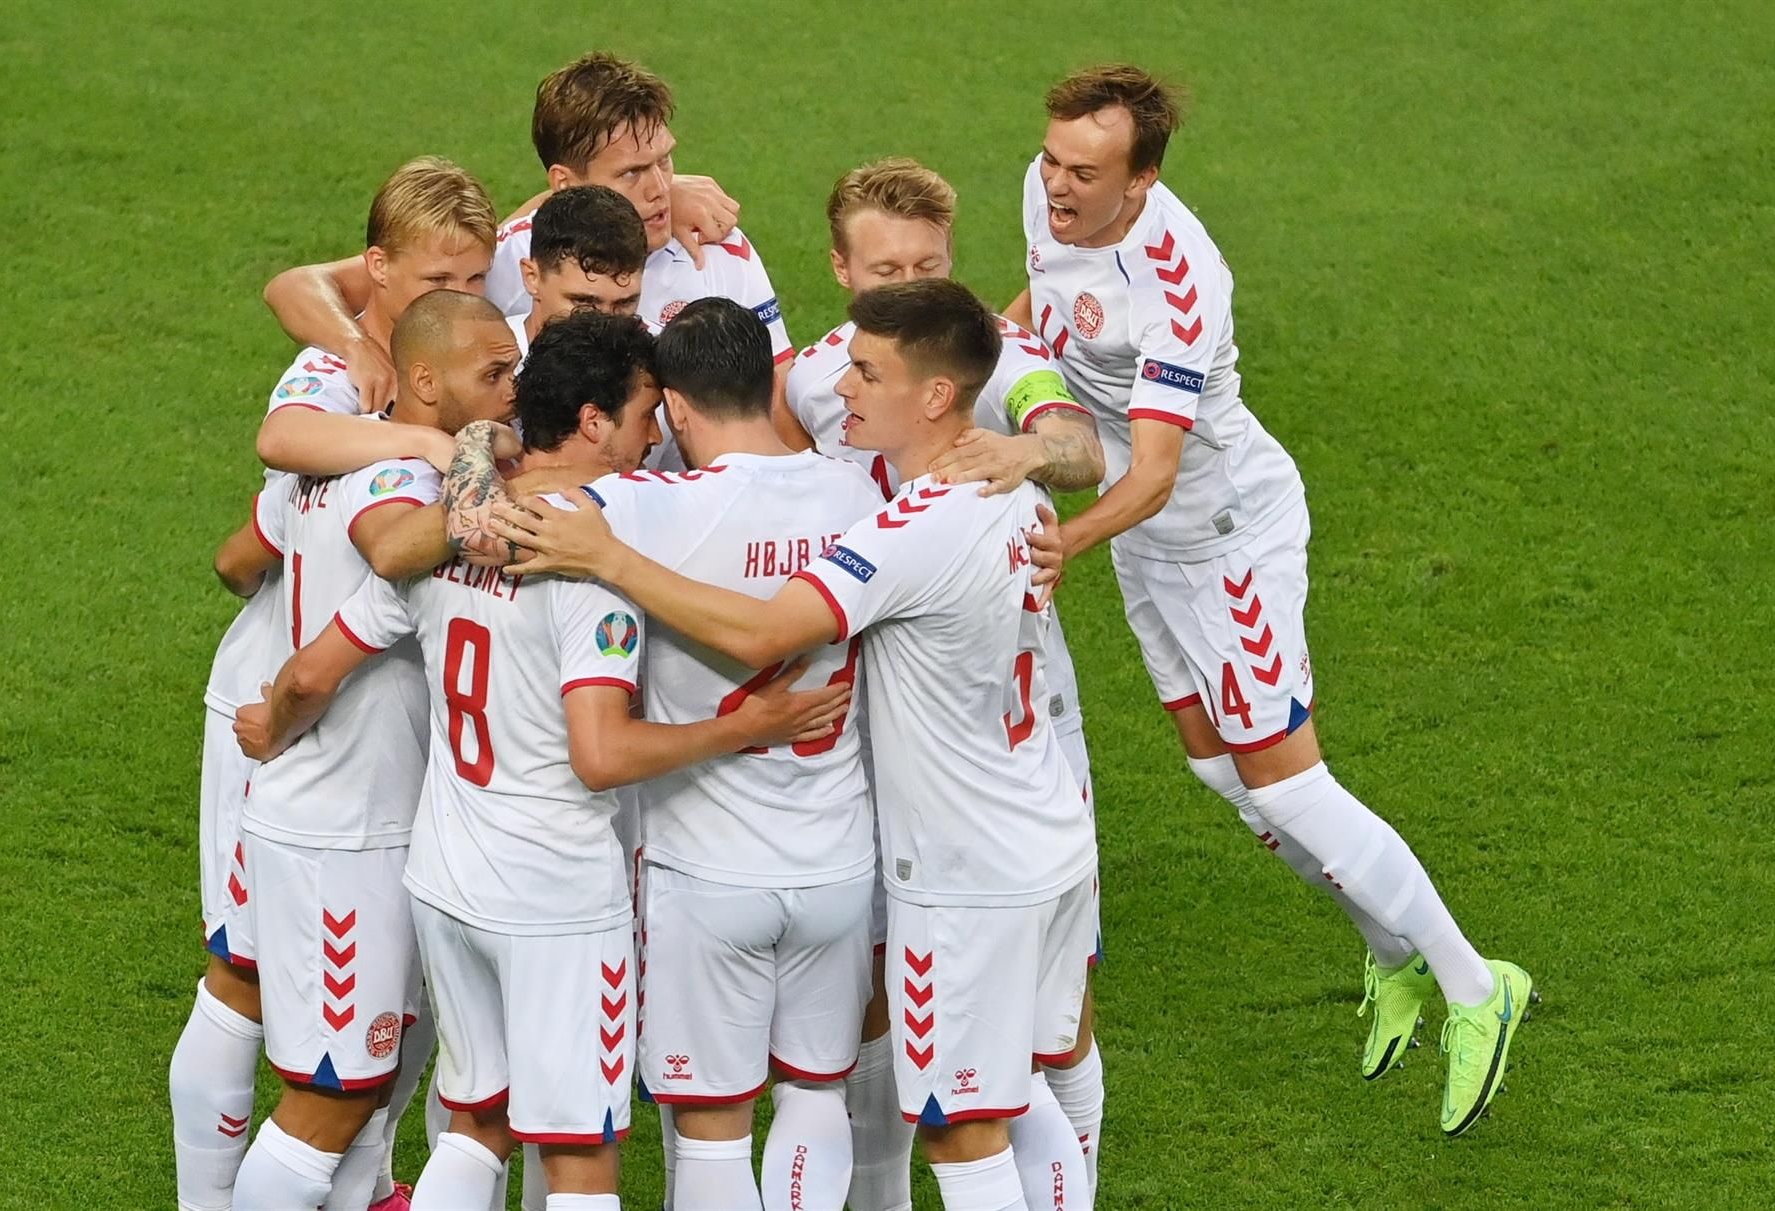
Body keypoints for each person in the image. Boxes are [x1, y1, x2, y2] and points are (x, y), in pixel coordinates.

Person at [481, 280, 1094, 1211]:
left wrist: (476, 451)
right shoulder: (921, 490)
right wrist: (1036, 446)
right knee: (954, 1091)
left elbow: (758, 627)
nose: (842, 387)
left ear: (675, 406)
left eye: (866, 371)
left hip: (780, 866)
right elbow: (1076, 458)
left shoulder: (647, 508)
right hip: (908, 850)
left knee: (800, 1126)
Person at [1006, 63, 1531, 1135]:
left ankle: (1480, 984)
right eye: (1053, 159)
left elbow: (1156, 471)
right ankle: (1391, 952)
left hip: (1224, 540)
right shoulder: (1046, 190)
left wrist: (1065, 543)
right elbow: (1040, 301)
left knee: (1287, 784)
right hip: (1148, 540)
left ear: (1141, 181)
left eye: (1085, 173)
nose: (1057, 184)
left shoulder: (1180, 279)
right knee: (1217, 770)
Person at [240, 309, 850, 1211]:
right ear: (595, 421)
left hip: (447, 880)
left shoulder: (452, 531)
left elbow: (311, 670)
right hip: (556, 895)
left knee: (476, 1123)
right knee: (578, 1159)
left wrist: (271, 729)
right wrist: (741, 726)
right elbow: (599, 753)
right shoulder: (587, 560)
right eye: (643, 414)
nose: (655, 436)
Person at [170, 157, 503, 1211]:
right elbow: (298, 455)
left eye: (476, 278)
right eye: (439, 280)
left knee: (374, 1035)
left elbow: (241, 552)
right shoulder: (345, 383)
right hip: (296, 739)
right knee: (271, 1003)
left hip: (340, 746)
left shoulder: (429, 367)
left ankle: (361, 1193)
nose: (463, 296)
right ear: (379, 271)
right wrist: (435, 449)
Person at [782, 156, 1110, 1204]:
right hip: (884, 713)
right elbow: (778, 487)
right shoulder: (819, 378)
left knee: (1049, 1026)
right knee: (889, 992)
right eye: (887, 269)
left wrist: (1028, 457)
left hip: (1014, 700)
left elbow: (1078, 445)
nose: (910, 285)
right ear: (841, 268)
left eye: (928, 265)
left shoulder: (994, 354)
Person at [262, 52, 775, 415]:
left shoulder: (720, 245)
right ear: (564, 185)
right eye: (631, 173)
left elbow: (772, 393)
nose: (658, 188)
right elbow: (298, 286)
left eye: (664, 162)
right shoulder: (498, 262)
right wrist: (356, 346)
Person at [507, 183, 647, 363]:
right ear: (532, 277)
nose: (605, 327)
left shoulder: (659, 363)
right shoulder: (485, 358)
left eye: (624, 304)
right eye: (584, 303)